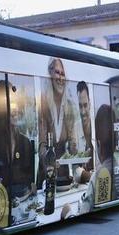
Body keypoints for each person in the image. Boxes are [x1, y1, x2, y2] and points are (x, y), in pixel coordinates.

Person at [0, 80, 35, 199]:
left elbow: (30, 181)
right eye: (10, 103)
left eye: (16, 102)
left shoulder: (26, 143)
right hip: (1, 210)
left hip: (25, 208)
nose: (15, 109)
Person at [38, 58, 77, 186]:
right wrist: (49, 164)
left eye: (63, 73)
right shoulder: (43, 103)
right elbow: (42, 145)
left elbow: (72, 144)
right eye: (57, 72)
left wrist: (75, 147)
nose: (60, 78)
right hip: (46, 172)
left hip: (64, 174)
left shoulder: (69, 105)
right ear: (50, 74)